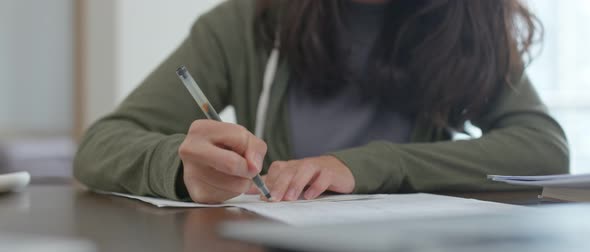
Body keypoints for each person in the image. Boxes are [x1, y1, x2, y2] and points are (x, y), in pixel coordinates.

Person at [74, 0, 569, 204]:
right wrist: (182, 172)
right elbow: (100, 144)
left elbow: (543, 147)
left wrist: (377, 164)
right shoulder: (248, 22)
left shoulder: (466, 24)